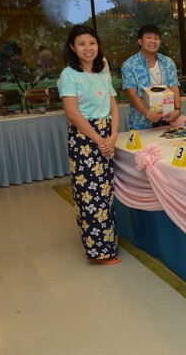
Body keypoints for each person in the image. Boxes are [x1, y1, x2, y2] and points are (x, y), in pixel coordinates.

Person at [57, 24, 121, 264]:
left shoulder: (103, 72)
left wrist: (113, 135)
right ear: (73, 47)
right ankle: (99, 252)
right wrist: (99, 139)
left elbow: (114, 107)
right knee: (90, 196)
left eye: (92, 43)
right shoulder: (69, 75)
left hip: (106, 135)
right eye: (82, 44)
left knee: (106, 194)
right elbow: (73, 114)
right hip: (85, 139)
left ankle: (108, 245)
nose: (88, 48)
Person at [121, 24, 182, 130]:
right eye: (148, 37)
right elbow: (132, 94)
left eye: (156, 38)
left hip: (169, 119)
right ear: (140, 41)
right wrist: (148, 114)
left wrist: (177, 110)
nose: (153, 41)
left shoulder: (168, 62)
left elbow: (174, 86)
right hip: (142, 122)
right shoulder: (129, 65)